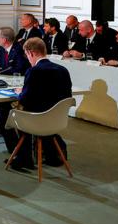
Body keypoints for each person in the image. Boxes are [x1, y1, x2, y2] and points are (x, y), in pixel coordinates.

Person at [8, 38, 73, 169]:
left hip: (37, 120)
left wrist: (21, 92)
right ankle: (51, 154)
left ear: (30, 53)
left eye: (27, 55)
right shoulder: (63, 70)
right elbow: (67, 95)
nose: (27, 59)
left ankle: (24, 157)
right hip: (58, 119)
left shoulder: (34, 71)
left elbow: (25, 99)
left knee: (8, 114)